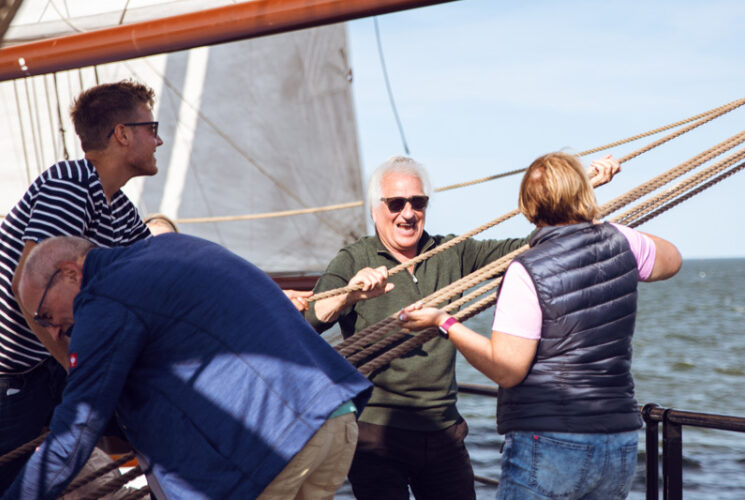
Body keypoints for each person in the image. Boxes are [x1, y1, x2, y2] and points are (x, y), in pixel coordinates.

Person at [306, 154, 619, 499]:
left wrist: (576, 197)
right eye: (396, 203)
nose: (408, 213)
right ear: (374, 209)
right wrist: (350, 294)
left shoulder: (450, 251)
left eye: (418, 202)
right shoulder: (353, 259)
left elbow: (527, 251)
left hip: (443, 431)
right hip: (376, 434)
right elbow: (310, 320)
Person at [399, 152, 682, 499]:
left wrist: (444, 321)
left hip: (550, 441)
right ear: (581, 194)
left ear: (527, 206)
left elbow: (507, 369)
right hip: (618, 440)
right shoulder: (622, 241)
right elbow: (672, 260)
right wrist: (594, 217)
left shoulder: (526, 269)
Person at [4, 234, 372, 499]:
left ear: (70, 273)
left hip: (268, 450)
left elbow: (77, 432)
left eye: (46, 315)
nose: (53, 331)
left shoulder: (102, 298)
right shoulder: (175, 248)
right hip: (332, 418)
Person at [0, 80, 162, 491]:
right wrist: (77, 369)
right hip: (13, 376)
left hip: (50, 365)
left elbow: (160, 274)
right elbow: (28, 286)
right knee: (11, 484)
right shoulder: (70, 183)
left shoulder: (120, 209)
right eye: (151, 127)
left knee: (155, 421)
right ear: (123, 134)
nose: (158, 139)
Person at [142, 212, 313, 311]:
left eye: (171, 241)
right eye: (154, 242)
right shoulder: (135, 290)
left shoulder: (194, 286)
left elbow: (233, 297)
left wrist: (276, 298)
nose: (163, 248)